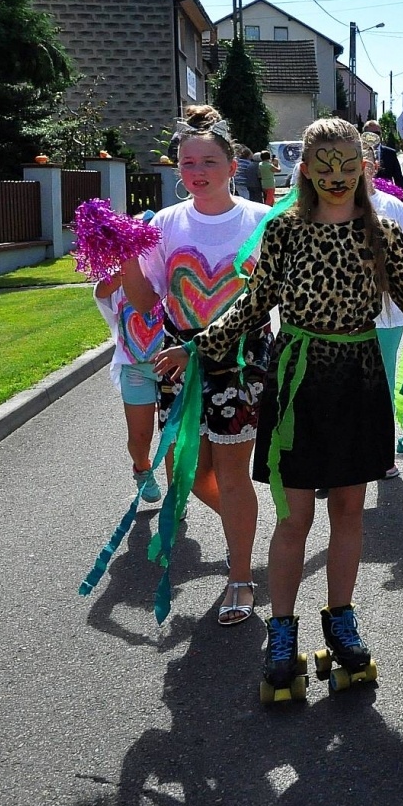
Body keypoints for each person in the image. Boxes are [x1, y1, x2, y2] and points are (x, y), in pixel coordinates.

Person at [164, 118, 403, 700]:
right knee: (295, 517)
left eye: (348, 166)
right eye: (324, 166)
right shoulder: (285, 230)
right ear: (304, 169)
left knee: (350, 511)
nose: (337, 177)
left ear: (364, 168)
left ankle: (342, 621)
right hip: (298, 382)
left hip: (359, 380)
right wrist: (200, 346)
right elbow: (253, 307)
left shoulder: (383, 233)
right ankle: (281, 630)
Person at [119, 105, 270, 627]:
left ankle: (241, 573)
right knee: (190, 472)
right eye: (187, 163)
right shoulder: (164, 223)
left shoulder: (258, 220)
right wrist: (124, 257)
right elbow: (144, 302)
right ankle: (244, 536)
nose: (197, 171)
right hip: (178, 363)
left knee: (231, 473)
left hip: (240, 361)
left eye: (208, 160)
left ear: (233, 165)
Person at [362, 134, 403, 481]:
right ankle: (343, 456)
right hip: (343, 316)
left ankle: (383, 454)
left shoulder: (393, 207)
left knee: (381, 381)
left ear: (372, 168)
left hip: (386, 314)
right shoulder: (328, 206)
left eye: (361, 165)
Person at [93, 262, 165, 504]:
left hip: (174, 368)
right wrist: (127, 264)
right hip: (135, 367)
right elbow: (101, 291)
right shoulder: (119, 273)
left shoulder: (168, 265)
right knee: (140, 435)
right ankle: (142, 470)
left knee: (174, 437)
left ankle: (177, 494)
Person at [363, 119, 403, 194]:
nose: (374, 136)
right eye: (371, 133)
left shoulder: (390, 153)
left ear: (381, 134)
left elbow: (398, 178)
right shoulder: (358, 153)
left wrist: (402, 199)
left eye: (377, 133)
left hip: (386, 196)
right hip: (364, 196)